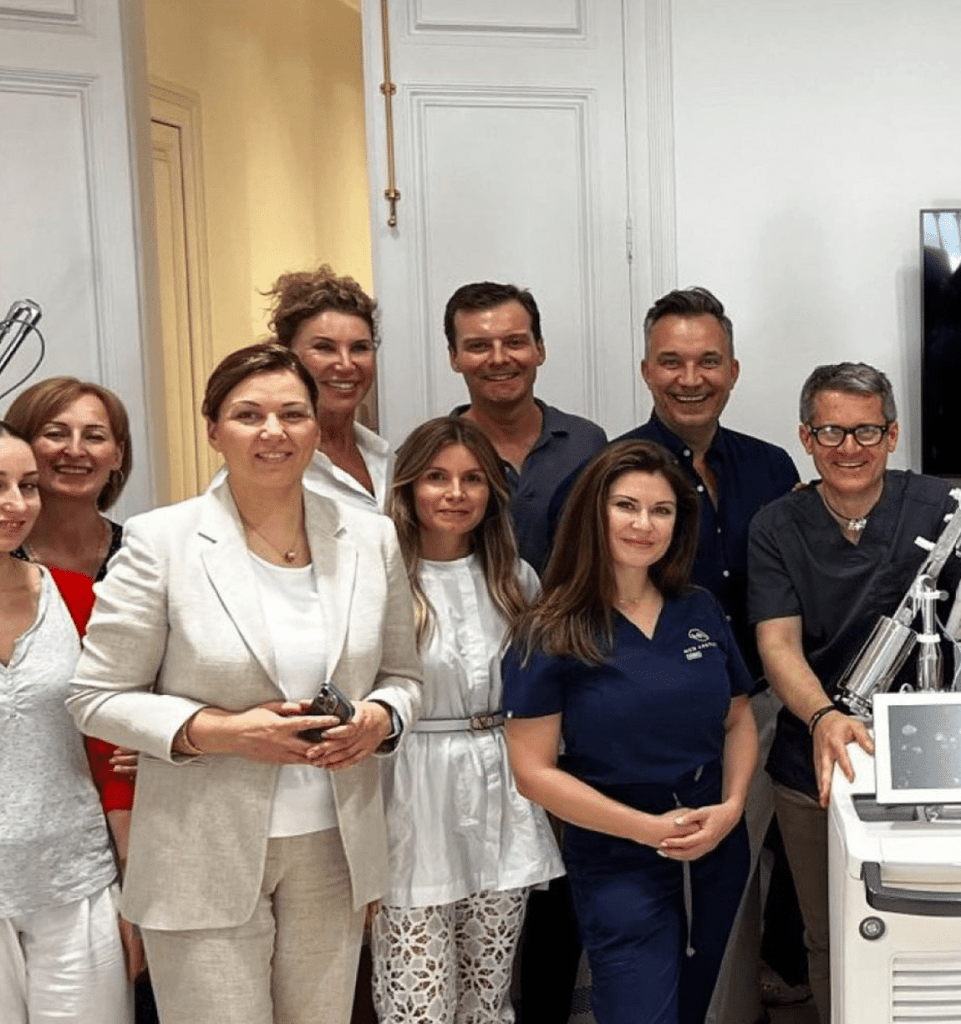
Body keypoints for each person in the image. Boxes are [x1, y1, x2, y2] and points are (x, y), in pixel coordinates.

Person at [67, 343, 422, 1024]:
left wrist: (381, 717)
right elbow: (95, 697)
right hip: (200, 848)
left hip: (333, 846)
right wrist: (223, 732)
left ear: (316, 427)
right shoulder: (160, 541)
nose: (272, 431)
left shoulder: (369, 538)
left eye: (292, 414)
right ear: (213, 430)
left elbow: (402, 676)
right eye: (248, 414)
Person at [503, 440, 758, 1024]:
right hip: (618, 849)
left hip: (715, 839)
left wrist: (732, 807)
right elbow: (532, 773)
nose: (644, 524)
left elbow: (739, 717)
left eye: (661, 510)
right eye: (626, 506)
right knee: (638, 1007)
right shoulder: (550, 630)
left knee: (705, 1002)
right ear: (593, 512)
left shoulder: (698, 609)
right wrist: (648, 830)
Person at [749, 361, 960, 1024]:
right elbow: (778, 645)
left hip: (939, 759)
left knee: (937, 934)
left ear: (892, 434)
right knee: (834, 933)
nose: (849, 448)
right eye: (830, 432)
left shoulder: (944, 510)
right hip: (818, 760)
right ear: (805, 438)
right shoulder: (776, 526)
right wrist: (821, 717)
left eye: (867, 431)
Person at [371, 417, 564, 1024]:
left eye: (472, 479)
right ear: (408, 486)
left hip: (500, 785)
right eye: (437, 477)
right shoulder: (378, 578)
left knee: (488, 994)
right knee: (418, 1001)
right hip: (410, 789)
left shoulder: (515, 578)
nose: (455, 494)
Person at [4, 377, 150, 1010]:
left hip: (80, 868)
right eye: (55, 434)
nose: (14, 503)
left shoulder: (103, 581)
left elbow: (110, 740)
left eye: (24, 487)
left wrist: (157, 737)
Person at [446, 280, 607, 574]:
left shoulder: (588, 444)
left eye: (514, 342)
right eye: (479, 346)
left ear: (539, 350)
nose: (498, 359)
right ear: (454, 357)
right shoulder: (429, 457)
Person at [267, 263, 391, 510]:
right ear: (286, 355)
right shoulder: (268, 463)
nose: (346, 364)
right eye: (324, 348)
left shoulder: (384, 455)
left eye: (359, 348)